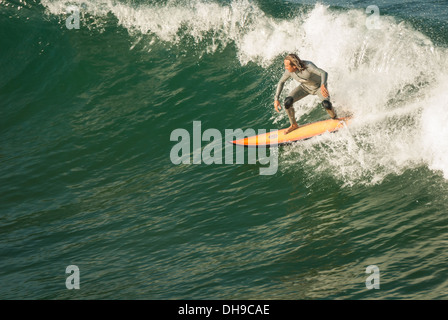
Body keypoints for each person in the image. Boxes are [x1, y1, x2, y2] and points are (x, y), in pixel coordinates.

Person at [274, 53, 337, 134]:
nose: (285, 68)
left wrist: (323, 85)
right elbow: (281, 82)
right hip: (305, 88)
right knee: (287, 102)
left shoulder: (308, 66)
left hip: (318, 88)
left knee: (326, 104)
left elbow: (323, 73)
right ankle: (293, 125)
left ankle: (335, 117)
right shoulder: (289, 71)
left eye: (286, 66)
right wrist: (276, 99)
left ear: (294, 66)